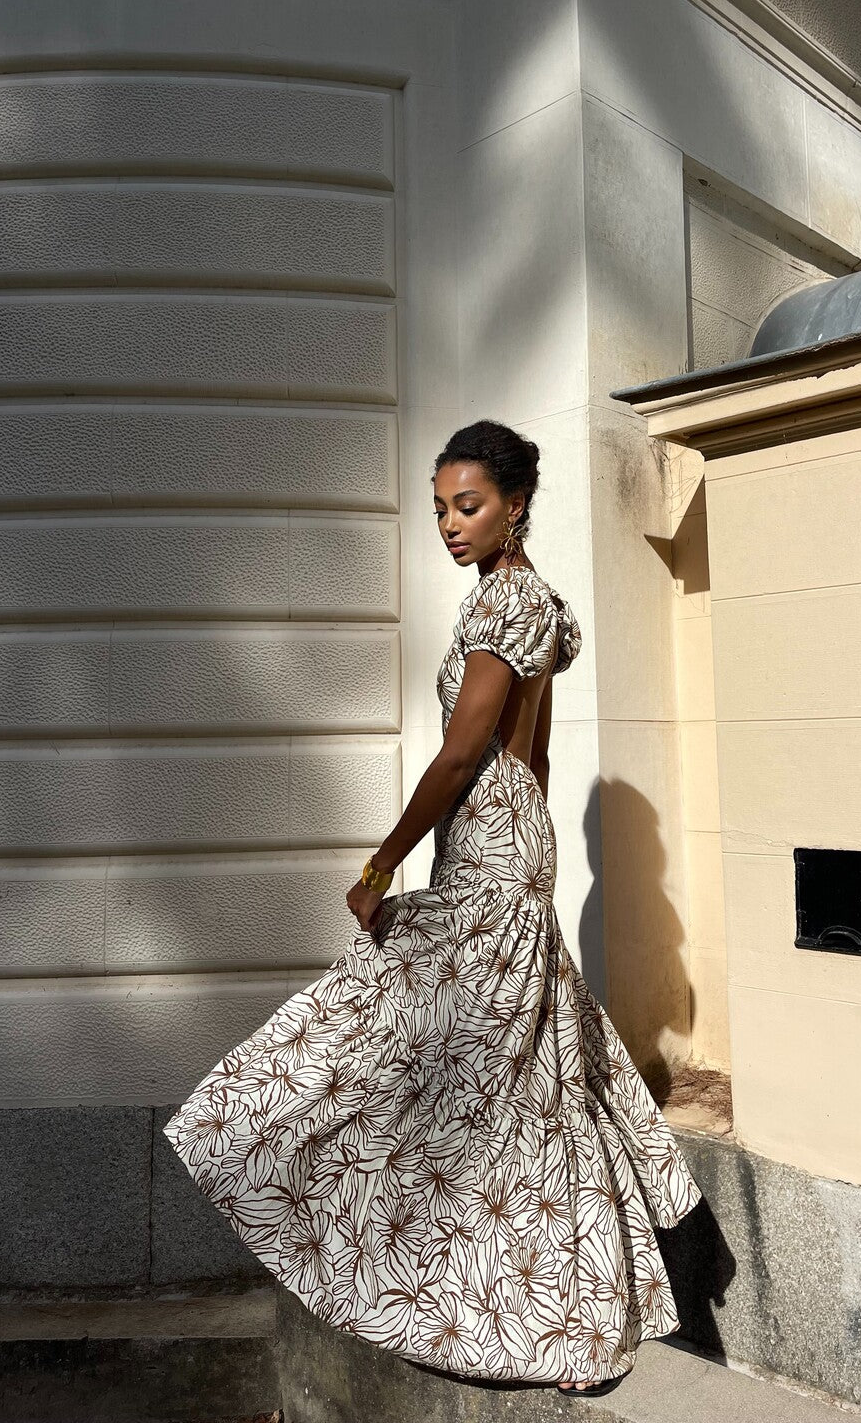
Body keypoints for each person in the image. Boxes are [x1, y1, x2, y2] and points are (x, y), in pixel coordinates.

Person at [162, 418, 702, 1397]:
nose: (449, 523)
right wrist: (505, 845)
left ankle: (546, 1316)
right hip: (501, 850)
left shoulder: (507, 607)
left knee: (448, 1066)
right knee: (506, 1078)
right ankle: (481, 1288)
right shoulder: (525, 602)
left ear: (515, 505)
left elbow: (463, 754)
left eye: (469, 504)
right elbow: (529, 764)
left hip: (489, 860)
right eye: (441, 505)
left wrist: (379, 865)